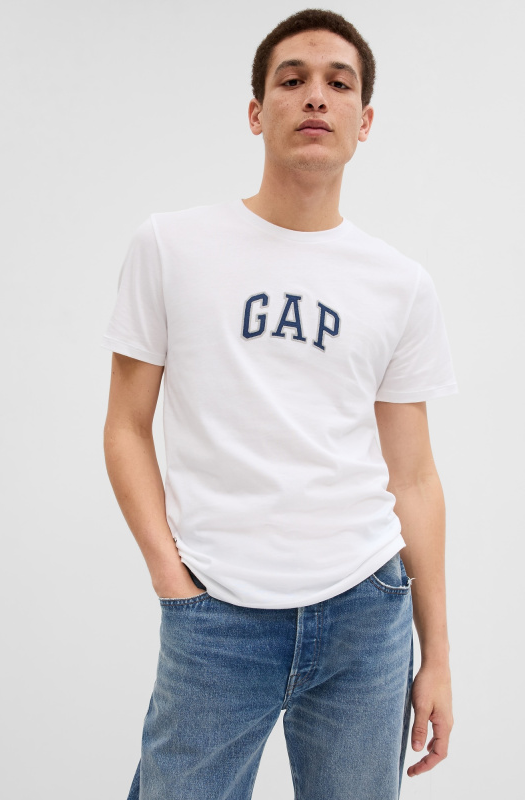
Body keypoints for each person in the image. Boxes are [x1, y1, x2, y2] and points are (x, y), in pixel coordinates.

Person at [101, 8, 457, 799]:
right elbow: (125, 426)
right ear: (257, 112)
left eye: (339, 84)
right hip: (216, 612)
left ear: (365, 122)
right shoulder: (171, 246)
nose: (316, 97)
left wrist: (436, 654)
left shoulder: (400, 284)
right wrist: (171, 580)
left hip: (366, 609)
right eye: (292, 80)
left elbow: (414, 475)